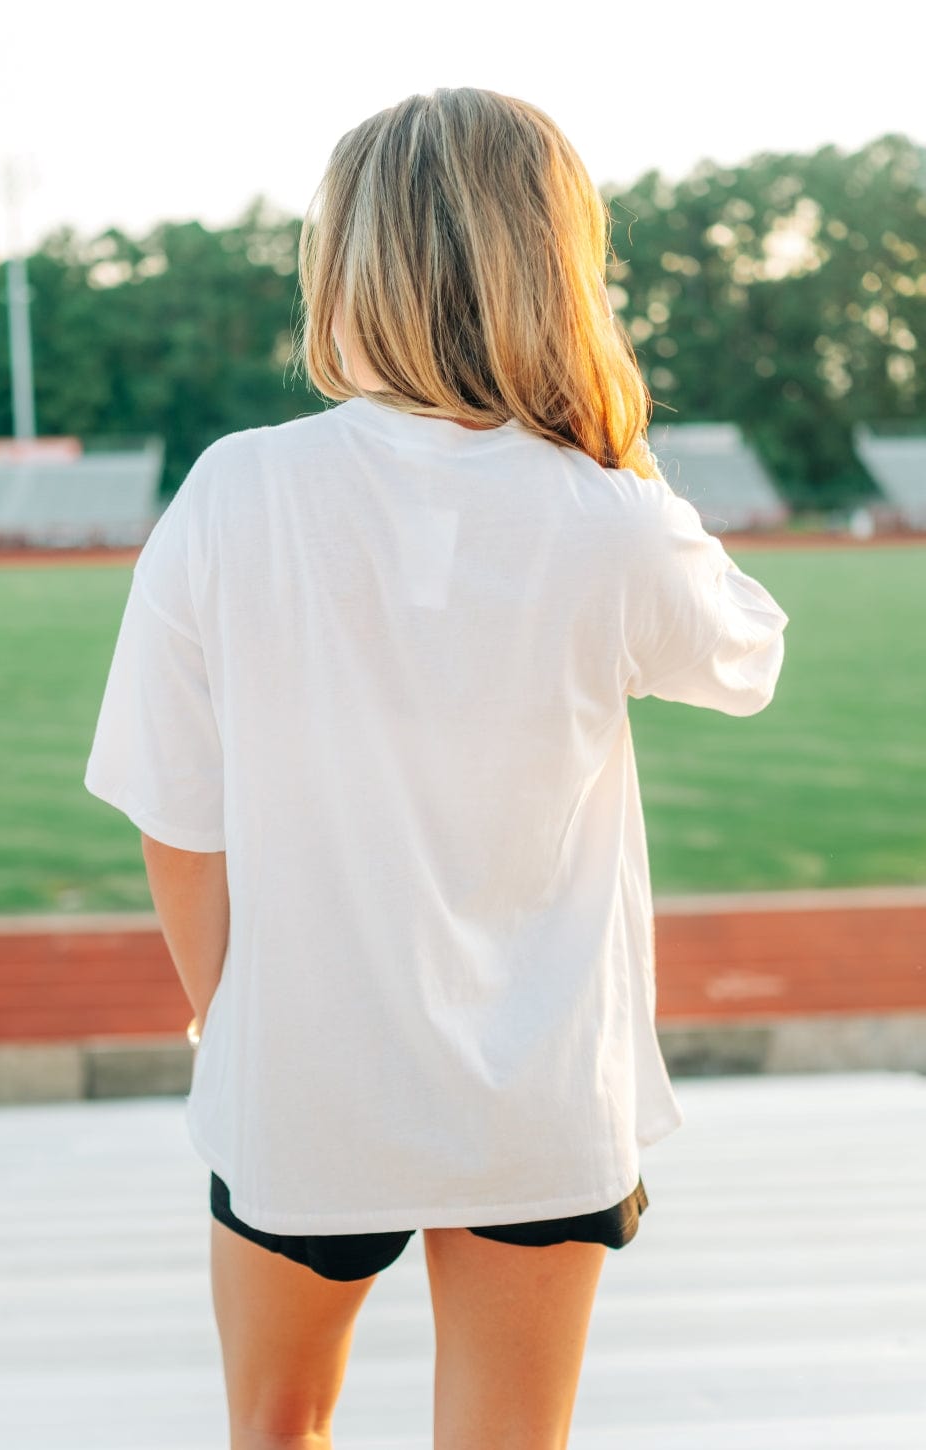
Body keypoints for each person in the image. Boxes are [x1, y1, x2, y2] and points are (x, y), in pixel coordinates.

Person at [85, 88, 789, 1450]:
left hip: (302, 1077)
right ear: (556, 270)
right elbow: (747, 655)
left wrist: (238, 1017)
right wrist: (616, 454)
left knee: (276, 1424)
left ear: (348, 266)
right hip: (541, 1092)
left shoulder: (233, 490)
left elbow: (178, 822)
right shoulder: (611, 515)